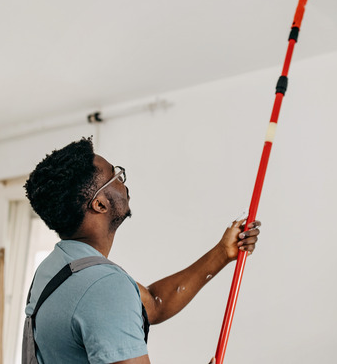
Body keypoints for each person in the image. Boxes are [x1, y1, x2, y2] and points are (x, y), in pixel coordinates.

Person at [23, 137, 261, 364]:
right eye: (115, 175)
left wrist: (222, 252)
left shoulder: (56, 270)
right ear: (100, 204)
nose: (122, 180)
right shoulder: (104, 286)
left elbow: (154, 304)